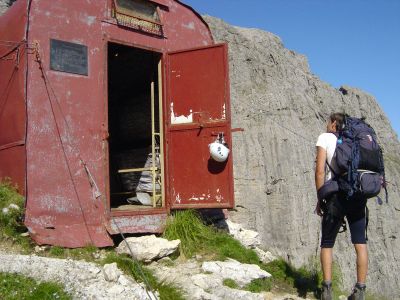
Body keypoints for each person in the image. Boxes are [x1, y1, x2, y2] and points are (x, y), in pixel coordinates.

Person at [315, 113, 368, 300]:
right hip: (358, 195)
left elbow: (320, 170)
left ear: (334, 123)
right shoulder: (355, 140)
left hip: (336, 196)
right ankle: (360, 291)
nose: (325, 124)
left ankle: (327, 291)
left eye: (327, 121)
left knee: (327, 243)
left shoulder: (325, 138)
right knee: (360, 243)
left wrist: (320, 197)